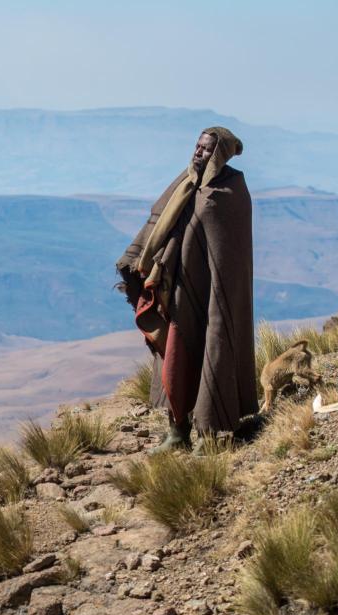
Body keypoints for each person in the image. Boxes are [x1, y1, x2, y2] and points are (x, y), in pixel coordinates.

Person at [116, 126, 256, 451]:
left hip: (214, 294)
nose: (198, 153)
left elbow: (229, 255)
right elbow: (159, 224)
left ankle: (209, 434)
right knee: (173, 354)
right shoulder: (185, 183)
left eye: (206, 149)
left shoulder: (230, 190)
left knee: (211, 351)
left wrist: (218, 294)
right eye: (197, 146)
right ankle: (177, 432)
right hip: (174, 286)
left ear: (219, 154)